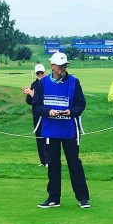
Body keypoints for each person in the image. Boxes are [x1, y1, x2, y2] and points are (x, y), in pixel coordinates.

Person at [32, 52, 90, 209]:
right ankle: (53, 198)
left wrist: (71, 112)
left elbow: (81, 104)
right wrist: (48, 111)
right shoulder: (41, 84)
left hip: (69, 130)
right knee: (53, 164)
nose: (63, 68)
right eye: (60, 66)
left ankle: (83, 197)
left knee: (74, 164)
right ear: (52, 66)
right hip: (50, 130)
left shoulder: (74, 82)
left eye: (65, 65)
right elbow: (36, 106)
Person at [22, 64, 47, 166]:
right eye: (38, 73)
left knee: (47, 138)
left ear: (44, 72)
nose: (40, 75)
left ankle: (48, 161)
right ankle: (43, 161)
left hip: (46, 114)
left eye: (41, 73)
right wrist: (29, 93)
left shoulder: (47, 83)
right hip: (36, 115)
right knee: (39, 137)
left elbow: (44, 100)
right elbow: (30, 101)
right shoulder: (34, 84)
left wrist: (32, 94)